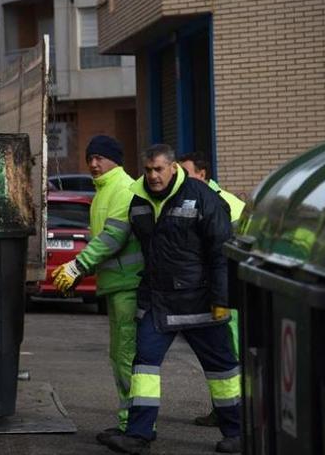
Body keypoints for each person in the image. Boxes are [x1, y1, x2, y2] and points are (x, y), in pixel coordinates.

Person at [105, 144, 241, 454]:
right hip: (158, 302)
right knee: (144, 368)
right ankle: (138, 436)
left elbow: (221, 253)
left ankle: (237, 432)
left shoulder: (203, 197)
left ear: (173, 169)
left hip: (201, 302)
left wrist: (222, 300)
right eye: (148, 169)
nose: (153, 175)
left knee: (222, 370)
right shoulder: (138, 200)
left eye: (159, 169)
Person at [51, 136, 143, 447]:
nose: (93, 163)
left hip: (128, 286)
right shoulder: (103, 192)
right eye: (91, 158)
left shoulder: (123, 189)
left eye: (101, 158)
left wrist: (76, 267)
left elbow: (112, 239)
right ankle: (129, 422)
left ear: (116, 159)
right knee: (120, 356)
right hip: (117, 285)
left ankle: (136, 426)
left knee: (127, 357)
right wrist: (82, 273)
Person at [179, 151, 245, 428]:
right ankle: (225, 410)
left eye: (185, 172)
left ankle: (237, 413)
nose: (180, 178)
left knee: (230, 355)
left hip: (227, 290)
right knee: (222, 357)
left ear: (202, 174)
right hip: (213, 289)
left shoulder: (227, 203)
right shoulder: (193, 201)